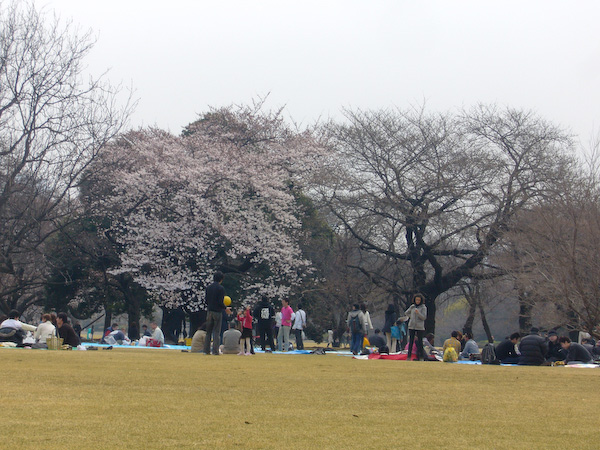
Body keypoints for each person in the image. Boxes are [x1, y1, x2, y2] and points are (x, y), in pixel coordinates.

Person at [203, 271, 231, 355]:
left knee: (208, 332)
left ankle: (206, 350)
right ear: (221, 279)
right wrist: (225, 308)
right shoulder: (221, 288)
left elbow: (206, 300)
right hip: (217, 312)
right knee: (216, 332)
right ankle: (215, 351)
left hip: (209, 311)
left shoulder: (208, 287)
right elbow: (220, 302)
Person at [405, 294, 427, 361]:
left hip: (419, 327)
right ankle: (409, 356)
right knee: (411, 341)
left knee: (420, 342)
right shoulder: (412, 307)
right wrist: (411, 316)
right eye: (416, 300)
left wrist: (418, 313)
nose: (417, 301)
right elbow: (406, 312)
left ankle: (421, 357)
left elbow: (424, 317)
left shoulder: (423, 307)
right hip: (412, 326)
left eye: (419, 300)